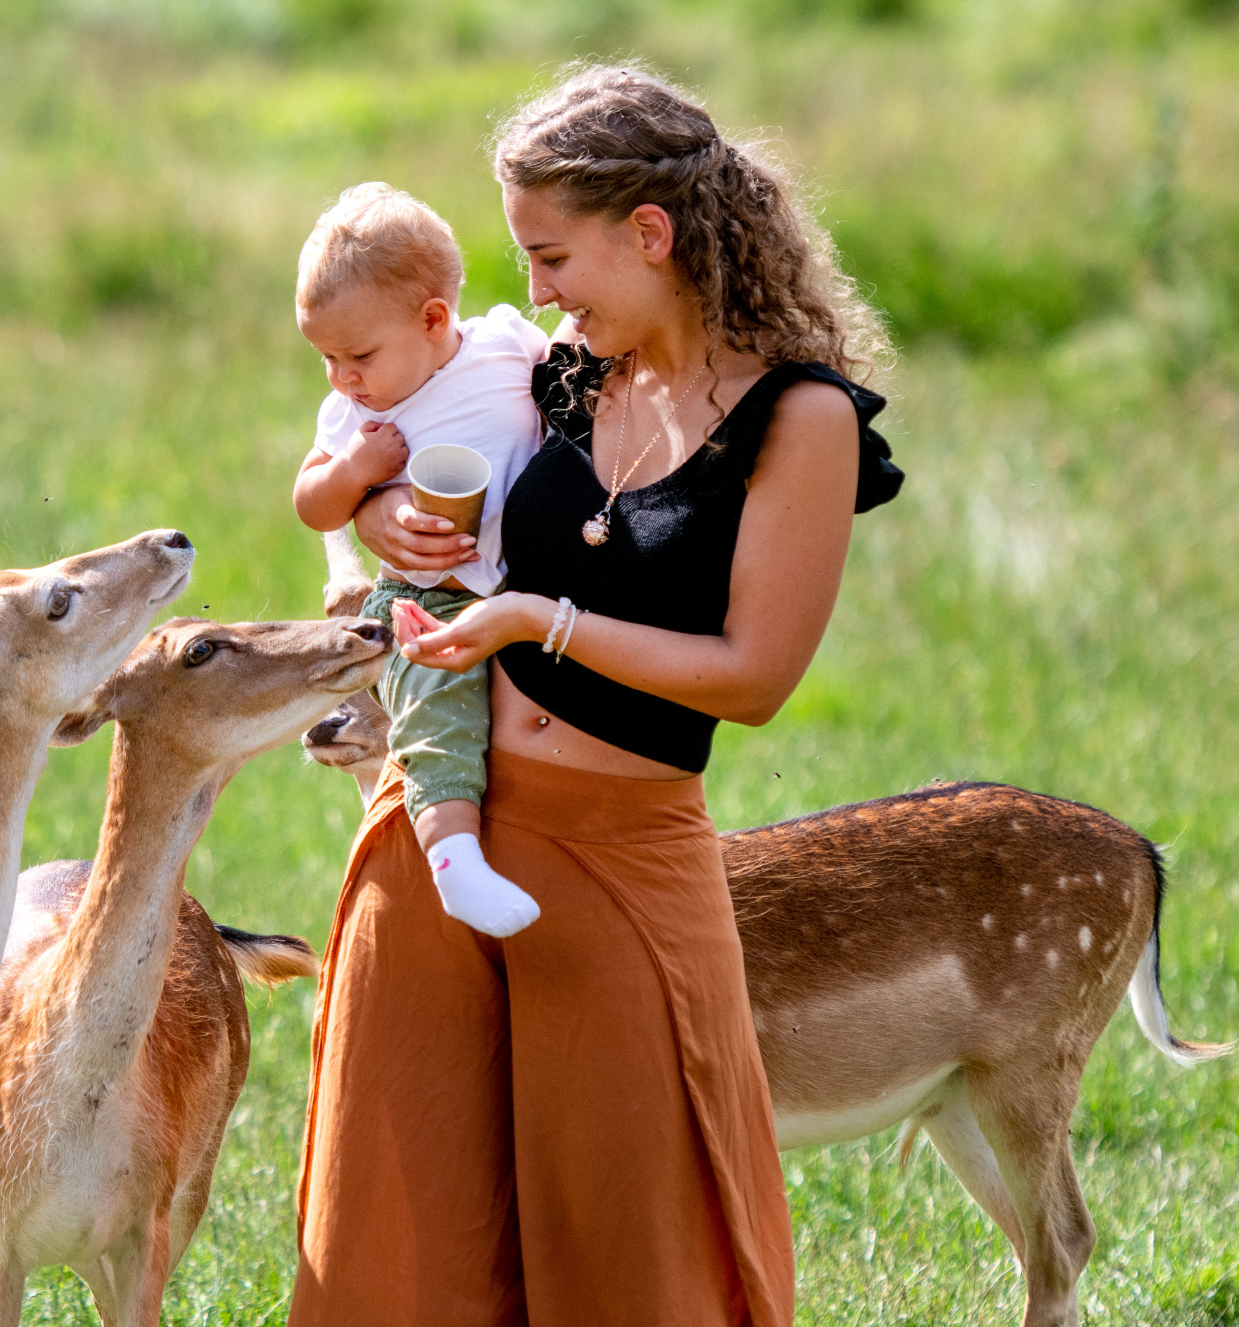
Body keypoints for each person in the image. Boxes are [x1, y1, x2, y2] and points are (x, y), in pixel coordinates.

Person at [290, 63, 903, 1327]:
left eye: (552, 255)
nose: (537, 291)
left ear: (651, 233)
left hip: (624, 868)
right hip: (435, 831)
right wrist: (385, 510)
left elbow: (755, 680)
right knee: (397, 1255)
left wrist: (542, 623)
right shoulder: (557, 373)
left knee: (639, 1262)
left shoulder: (800, 418)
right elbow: (386, 428)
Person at [292, 182, 551, 938]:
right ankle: (452, 859)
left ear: (435, 318)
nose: (342, 375)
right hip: (429, 595)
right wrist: (357, 477)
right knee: (441, 712)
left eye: (358, 354)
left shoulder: (506, 344)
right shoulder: (359, 413)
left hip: (529, 579)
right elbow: (312, 501)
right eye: (326, 358)